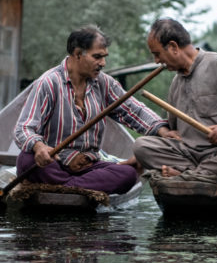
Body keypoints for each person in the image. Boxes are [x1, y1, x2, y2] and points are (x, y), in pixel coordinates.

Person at [13, 25, 174, 194]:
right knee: (26, 160)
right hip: (55, 164)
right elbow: (23, 128)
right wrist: (39, 147)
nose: (103, 63)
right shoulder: (49, 83)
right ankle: (76, 186)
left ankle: (65, 186)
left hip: (87, 167)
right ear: (77, 54)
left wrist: (161, 129)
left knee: (128, 174)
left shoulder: (104, 83)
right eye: (97, 57)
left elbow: (134, 111)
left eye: (104, 57)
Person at [132, 18, 217, 184]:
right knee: (141, 146)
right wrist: (166, 134)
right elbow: (172, 128)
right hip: (187, 156)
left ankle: (186, 175)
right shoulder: (176, 82)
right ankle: (195, 174)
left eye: (157, 54)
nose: (156, 61)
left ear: (173, 47)